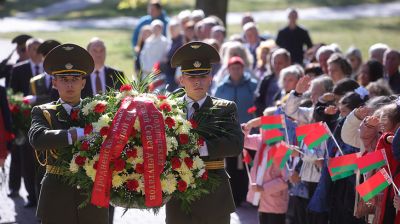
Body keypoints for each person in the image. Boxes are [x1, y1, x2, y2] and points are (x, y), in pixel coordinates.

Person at [28, 43, 108, 224]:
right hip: (57, 197)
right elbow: (37, 138)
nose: (70, 84)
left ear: (83, 82)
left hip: (92, 196)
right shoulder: (43, 112)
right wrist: (74, 134)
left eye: (74, 78)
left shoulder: (98, 112)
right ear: (54, 83)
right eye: (64, 79)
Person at [166, 41, 244, 224]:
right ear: (181, 79)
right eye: (191, 77)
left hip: (213, 194)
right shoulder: (168, 108)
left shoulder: (225, 108)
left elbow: (236, 143)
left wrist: (200, 147)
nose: (198, 81)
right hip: (178, 192)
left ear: (211, 78)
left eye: (203, 75)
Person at [214, 56, 257, 206]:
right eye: (233, 68)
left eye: (239, 68)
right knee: (231, 164)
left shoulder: (252, 85)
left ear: (243, 69)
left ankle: (247, 196)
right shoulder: (222, 87)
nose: (236, 71)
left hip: (248, 131)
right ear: (228, 69)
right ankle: (233, 197)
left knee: (248, 164)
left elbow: (257, 106)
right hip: (229, 132)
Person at [8, 37, 43, 208]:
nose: (36, 51)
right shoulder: (19, 69)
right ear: (27, 51)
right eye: (33, 48)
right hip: (25, 123)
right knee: (27, 163)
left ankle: (43, 197)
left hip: (46, 123)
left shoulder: (50, 69)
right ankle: (31, 197)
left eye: (39, 47)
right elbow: (13, 96)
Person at [254, 48, 291, 116]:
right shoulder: (266, 80)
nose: (277, 66)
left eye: (280, 63)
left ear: (288, 63)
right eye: (275, 63)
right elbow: (258, 101)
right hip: (267, 118)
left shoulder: (294, 79)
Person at [24, 39, 61, 106]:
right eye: (46, 56)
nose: (51, 60)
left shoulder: (66, 79)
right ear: (43, 58)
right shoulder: (34, 81)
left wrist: (37, 99)